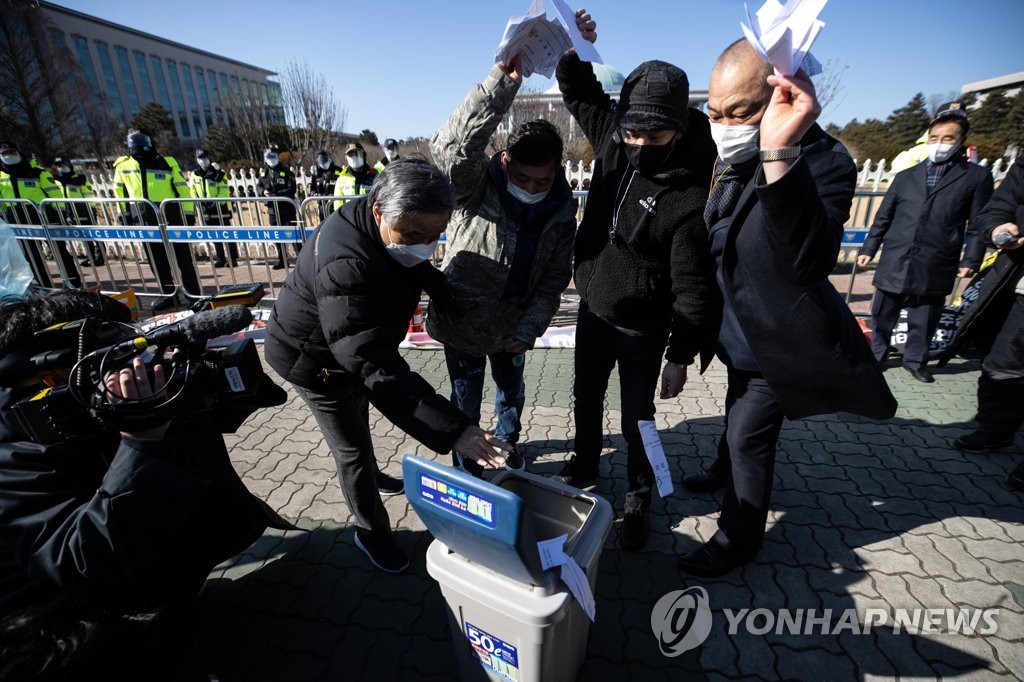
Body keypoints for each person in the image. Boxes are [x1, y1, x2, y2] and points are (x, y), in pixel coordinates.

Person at [676, 39, 897, 577]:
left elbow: (805, 258)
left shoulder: (821, 159)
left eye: (741, 112)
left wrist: (779, 153)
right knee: (735, 412)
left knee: (749, 435)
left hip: (781, 339)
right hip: (738, 332)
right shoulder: (731, 158)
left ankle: (737, 538)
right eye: (715, 113)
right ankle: (719, 468)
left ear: (781, 94)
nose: (725, 125)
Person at [0, 290, 292, 677]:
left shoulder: (84, 397)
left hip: (144, 572)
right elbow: (83, 563)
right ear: (54, 372)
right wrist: (141, 442)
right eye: (114, 355)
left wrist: (194, 382)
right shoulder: (16, 448)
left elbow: (208, 427)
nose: (133, 361)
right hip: (57, 631)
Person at [265, 158, 510, 573]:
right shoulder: (346, 263)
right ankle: (370, 531)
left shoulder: (380, 224)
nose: (424, 245)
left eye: (435, 235)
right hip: (313, 361)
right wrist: (454, 428)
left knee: (360, 416)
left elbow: (410, 265)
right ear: (380, 211)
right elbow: (370, 363)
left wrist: (445, 292)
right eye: (414, 234)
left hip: (348, 348)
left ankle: (375, 477)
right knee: (352, 450)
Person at [549, 10, 717, 551]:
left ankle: (639, 493)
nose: (641, 141)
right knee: (585, 396)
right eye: (633, 129)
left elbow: (693, 285)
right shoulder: (613, 141)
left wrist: (680, 355)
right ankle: (581, 463)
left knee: (639, 416)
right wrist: (575, 46)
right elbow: (578, 91)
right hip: (594, 309)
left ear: (680, 126)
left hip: (645, 326)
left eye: (656, 131)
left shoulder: (689, 195)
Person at [428, 54, 576, 476]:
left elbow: (553, 278)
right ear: (507, 162)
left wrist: (530, 327)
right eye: (523, 179)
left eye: (542, 181)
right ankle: (467, 463)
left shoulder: (561, 210)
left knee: (511, 391)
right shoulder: (477, 188)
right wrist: (501, 84)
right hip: (463, 323)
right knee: (465, 399)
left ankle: (508, 443)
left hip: (513, 327)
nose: (532, 189)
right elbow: (451, 151)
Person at [857, 102, 994, 383]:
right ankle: (878, 354)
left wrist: (972, 260)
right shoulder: (907, 177)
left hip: (937, 257)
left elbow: (979, 223)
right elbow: (884, 217)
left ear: (960, 141)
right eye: (934, 138)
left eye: (947, 139)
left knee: (926, 315)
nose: (939, 144)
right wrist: (868, 249)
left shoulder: (976, 178)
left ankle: (916, 360)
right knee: (883, 312)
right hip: (897, 255)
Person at [940, 157, 1024, 488]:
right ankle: (996, 430)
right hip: (1018, 286)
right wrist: (997, 228)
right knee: (1002, 364)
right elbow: (996, 208)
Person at [112, 129, 201, 311]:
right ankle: (167, 294)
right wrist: (125, 213)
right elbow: (119, 191)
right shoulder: (123, 165)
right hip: (142, 214)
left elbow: (182, 189)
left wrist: (188, 213)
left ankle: (193, 294)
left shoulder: (166, 162)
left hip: (170, 212)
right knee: (156, 258)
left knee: (183, 256)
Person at [0, 141, 81, 289]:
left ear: (18, 152)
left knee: (59, 251)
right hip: (17, 219)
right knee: (31, 256)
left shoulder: (38, 172)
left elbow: (55, 195)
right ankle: (46, 286)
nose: (8, 157)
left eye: (11, 153)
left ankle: (73, 283)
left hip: (43, 216)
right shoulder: (1, 176)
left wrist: (60, 214)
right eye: (4, 154)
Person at [51, 153, 104, 267]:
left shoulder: (79, 179)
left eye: (63, 164)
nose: (61, 167)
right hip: (65, 211)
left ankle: (100, 257)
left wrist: (92, 209)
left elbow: (89, 195)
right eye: (58, 165)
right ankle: (90, 257)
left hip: (82, 210)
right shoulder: (54, 181)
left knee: (92, 234)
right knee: (82, 237)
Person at [189, 148, 238, 268]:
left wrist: (216, 202)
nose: (203, 161)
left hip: (220, 208)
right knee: (214, 235)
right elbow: (193, 189)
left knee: (226, 234)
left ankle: (232, 259)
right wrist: (198, 202)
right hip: (205, 209)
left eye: (205, 158)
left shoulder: (218, 173)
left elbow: (223, 189)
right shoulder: (195, 174)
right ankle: (220, 258)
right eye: (200, 158)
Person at [257, 145, 300, 270]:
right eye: (268, 157)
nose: (271, 159)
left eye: (273, 156)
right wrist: (263, 192)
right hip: (272, 209)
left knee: (293, 234)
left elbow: (291, 188)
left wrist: (278, 194)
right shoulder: (263, 173)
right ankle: (282, 259)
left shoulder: (287, 172)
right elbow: (259, 186)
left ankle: (301, 259)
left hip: (286, 208)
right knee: (277, 235)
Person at [332, 143, 378, 210]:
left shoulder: (374, 175)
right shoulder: (341, 179)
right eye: (351, 155)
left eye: (357, 153)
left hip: (370, 215)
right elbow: (338, 204)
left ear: (364, 155)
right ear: (346, 158)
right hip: (350, 217)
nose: (354, 157)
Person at [310, 149, 344, 222]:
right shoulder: (316, 174)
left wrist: (335, 195)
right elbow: (312, 188)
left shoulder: (338, 170)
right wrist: (315, 194)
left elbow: (343, 187)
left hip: (335, 204)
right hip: (322, 205)